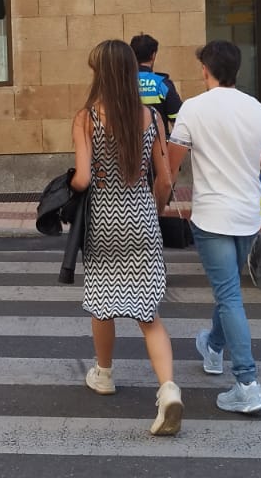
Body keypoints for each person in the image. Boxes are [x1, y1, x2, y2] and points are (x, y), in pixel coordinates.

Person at [71, 39, 182, 437]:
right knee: (148, 315)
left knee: (103, 303)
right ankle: (168, 389)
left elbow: (83, 178)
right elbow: (165, 178)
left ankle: (103, 374)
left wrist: (69, 184)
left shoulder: (87, 118)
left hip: (104, 219)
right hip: (141, 216)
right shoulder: (150, 117)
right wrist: (153, 208)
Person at [163, 40, 261, 414]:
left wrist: (155, 204)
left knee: (228, 295)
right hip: (248, 216)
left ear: (205, 70)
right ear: (237, 70)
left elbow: (171, 167)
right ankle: (212, 347)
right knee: (228, 288)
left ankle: (247, 383)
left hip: (211, 216)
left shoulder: (192, 110)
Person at [132, 34, 182, 131]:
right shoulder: (162, 84)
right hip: (158, 143)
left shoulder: (122, 82)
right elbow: (178, 122)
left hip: (129, 144)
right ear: (153, 55)